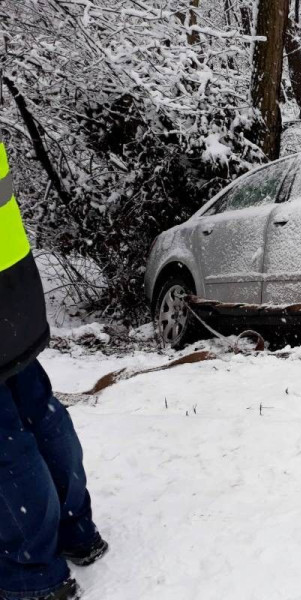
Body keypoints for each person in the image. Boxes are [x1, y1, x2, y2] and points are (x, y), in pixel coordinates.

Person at [0, 142, 107, 600]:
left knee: (5, 441)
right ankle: (75, 530)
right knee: (37, 410)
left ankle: (31, 573)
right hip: (14, 285)